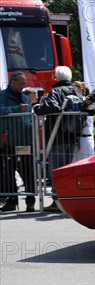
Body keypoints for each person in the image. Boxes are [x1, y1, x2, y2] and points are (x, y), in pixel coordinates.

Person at [34, 66, 92, 212]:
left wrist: (37, 108)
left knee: (57, 170)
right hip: (72, 136)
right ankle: (67, 199)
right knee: (67, 170)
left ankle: (57, 201)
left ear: (56, 77)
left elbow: (50, 106)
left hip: (58, 136)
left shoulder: (56, 91)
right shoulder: (76, 92)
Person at [0, 72, 34, 212]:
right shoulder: (2, 95)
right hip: (9, 140)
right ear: (12, 82)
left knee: (27, 170)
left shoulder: (24, 96)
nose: (24, 85)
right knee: (8, 170)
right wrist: (16, 109)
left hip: (24, 140)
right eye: (21, 83)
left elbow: (29, 113)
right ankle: (11, 200)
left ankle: (30, 200)